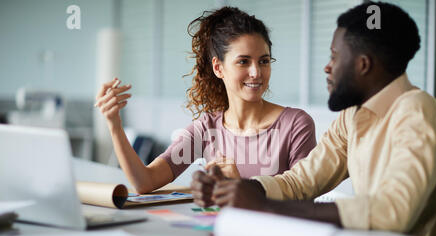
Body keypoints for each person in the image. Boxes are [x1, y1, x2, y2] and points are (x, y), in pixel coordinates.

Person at [192, 2, 436, 236]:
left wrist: (265, 206)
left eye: (335, 56)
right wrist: (242, 189)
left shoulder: (418, 111)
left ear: (363, 65)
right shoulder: (353, 116)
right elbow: (302, 181)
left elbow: (392, 212)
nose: (327, 67)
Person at [94, 7, 316, 198]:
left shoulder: (296, 124)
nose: (256, 72)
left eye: (264, 61)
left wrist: (242, 188)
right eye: (243, 62)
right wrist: (114, 125)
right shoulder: (206, 129)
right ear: (218, 68)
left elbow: (303, 199)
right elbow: (145, 181)